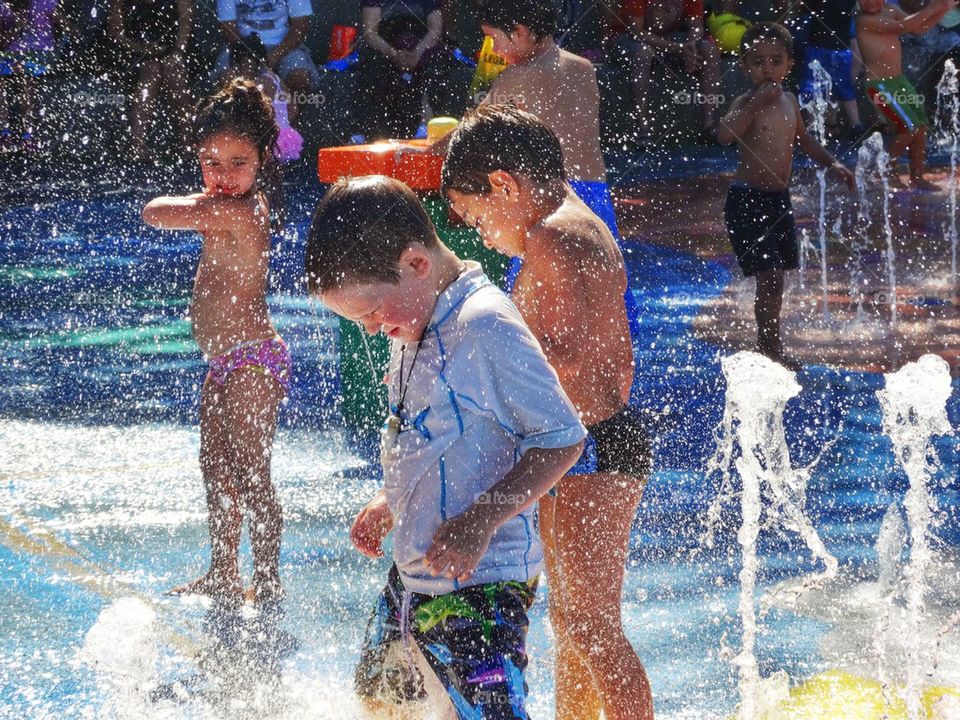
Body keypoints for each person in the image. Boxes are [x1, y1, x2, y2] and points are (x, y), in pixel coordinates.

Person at [305, 175, 586, 719]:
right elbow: (435, 432)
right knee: (380, 698)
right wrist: (391, 499)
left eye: (371, 313)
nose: (372, 329)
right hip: (416, 573)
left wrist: (481, 519)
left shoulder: (484, 325)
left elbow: (562, 439)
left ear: (415, 263)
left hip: (481, 579)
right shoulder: (415, 322)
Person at [443, 104, 654, 720]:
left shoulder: (554, 239)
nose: (481, 234)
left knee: (589, 623)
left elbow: (567, 363)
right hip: (587, 442)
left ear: (504, 185)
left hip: (592, 445)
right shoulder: (565, 226)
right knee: (572, 622)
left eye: (477, 216)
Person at [142, 78, 289, 606]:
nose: (223, 175)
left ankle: (268, 578)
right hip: (224, 362)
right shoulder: (228, 204)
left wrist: (199, 197)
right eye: (211, 162)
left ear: (262, 161)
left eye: (236, 162)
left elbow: (154, 212)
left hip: (253, 361)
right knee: (215, 468)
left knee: (252, 473)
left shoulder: (240, 210)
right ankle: (224, 570)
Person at [471, 0, 641, 341]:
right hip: (594, 196)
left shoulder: (514, 78)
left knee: (532, 300)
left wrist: (418, 150)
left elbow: (473, 131)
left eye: (494, 39)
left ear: (519, 33)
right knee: (606, 293)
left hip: (549, 199)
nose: (494, 50)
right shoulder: (583, 68)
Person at [717, 22, 856, 370]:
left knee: (776, 278)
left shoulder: (791, 101)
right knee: (771, 276)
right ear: (744, 66)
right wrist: (754, 104)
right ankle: (769, 346)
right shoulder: (746, 101)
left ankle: (768, 342)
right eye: (758, 61)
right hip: (747, 201)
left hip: (778, 201)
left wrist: (834, 164)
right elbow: (723, 135)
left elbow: (805, 142)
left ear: (789, 64)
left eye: (775, 61)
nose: (767, 68)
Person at [856, 0, 958, 189]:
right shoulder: (864, 21)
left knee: (921, 126)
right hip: (878, 86)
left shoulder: (890, 10)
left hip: (900, 83)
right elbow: (903, 26)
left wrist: (943, 9)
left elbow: (919, 29)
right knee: (909, 126)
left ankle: (916, 177)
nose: (870, 2)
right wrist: (933, 8)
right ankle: (885, 172)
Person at [354, 0, 466, 140]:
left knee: (438, 64)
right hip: (386, 46)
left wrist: (417, 54)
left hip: (421, 46)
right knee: (375, 65)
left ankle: (428, 124)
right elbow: (370, 34)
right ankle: (372, 132)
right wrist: (395, 54)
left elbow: (435, 29)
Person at [613, 0, 722, 140]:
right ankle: (642, 127)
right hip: (625, 39)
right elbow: (636, 32)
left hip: (667, 37)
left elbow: (696, 25)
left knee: (709, 49)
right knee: (643, 52)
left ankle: (709, 124)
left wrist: (691, 47)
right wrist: (676, 48)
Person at [108, 0, 193, 161]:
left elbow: (185, 24)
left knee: (173, 70)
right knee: (151, 69)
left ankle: (186, 140)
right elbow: (116, 34)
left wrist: (176, 52)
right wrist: (141, 48)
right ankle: (137, 145)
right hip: (133, 53)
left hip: (172, 51)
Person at [212, 0, 320, 114]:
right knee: (227, 79)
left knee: (301, 79)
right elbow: (227, 28)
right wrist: (246, 57)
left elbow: (300, 25)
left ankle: (283, 122)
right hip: (240, 45)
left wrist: (273, 57)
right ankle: (245, 121)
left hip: (285, 45)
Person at [0, 0, 75, 151]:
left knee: (25, 78)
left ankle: (24, 134)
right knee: (12, 80)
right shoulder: (3, 7)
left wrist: (67, 36)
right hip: (11, 54)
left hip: (38, 55)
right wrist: (17, 27)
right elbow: (2, 41)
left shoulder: (43, 2)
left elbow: (67, 27)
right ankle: (8, 134)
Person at [229, 34, 303, 162]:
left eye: (244, 65)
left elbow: (255, 115)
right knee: (275, 170)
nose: (241, 70)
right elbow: (294, 108)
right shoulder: (274, 78)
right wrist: (284, 124)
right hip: (285, 137)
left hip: (270, 139)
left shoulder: (258, 84)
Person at [798, 0, 865, 141]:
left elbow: (803, 8)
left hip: (818, 47)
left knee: (812, 87)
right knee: (844, 86)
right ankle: (856, 124)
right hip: (841, 48)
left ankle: (813, 128)